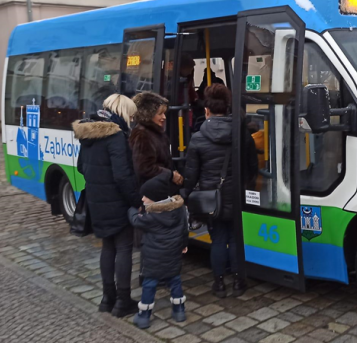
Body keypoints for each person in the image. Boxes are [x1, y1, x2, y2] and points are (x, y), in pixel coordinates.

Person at [183, 84, 257, 298]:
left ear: (206, 110)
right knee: (235, 238)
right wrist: (248, 186)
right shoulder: (242, 134)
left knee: (217, 240)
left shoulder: (198, 138)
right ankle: (237, 282)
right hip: (236, 194)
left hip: (210, 199)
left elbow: (191, 174)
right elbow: (252, 165)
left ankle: (219, 284)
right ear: (228, 109)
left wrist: (186, 195)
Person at [73, 94, 142, 317]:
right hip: (117, 201)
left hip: (96, 200)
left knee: (107, 247)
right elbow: (122, 176)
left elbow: (81, 167)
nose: (132, 119)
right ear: (122, 112)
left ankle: (107, 299)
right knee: (123, 248)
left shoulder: (89, 133)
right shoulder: (116, 137)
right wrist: (136, 200)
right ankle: (122, 301)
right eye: (131, 115)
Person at [128, 171, 189, 329]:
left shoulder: (151, 216)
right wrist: (184, 244)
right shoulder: (179, 210)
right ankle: (179, 311)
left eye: (145, 197)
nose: (142, 199)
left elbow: (135, 220)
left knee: (149, 285)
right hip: (173, 256)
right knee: (175, 281)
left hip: (153, 259)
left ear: (155, 199)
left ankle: (144, 316)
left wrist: (132, 209)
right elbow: (184, 229)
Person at [129, 92, 183, 188]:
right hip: (152, 191)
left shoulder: (154, 132)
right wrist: (171, 175)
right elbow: (145, 168)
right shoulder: (142, 135)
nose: (164, 117)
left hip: (158, 187)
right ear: (148, 114)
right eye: (160, 113)